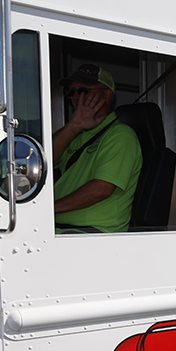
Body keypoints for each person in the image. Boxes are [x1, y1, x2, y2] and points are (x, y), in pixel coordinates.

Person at [53, 64, 142, 232]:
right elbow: (44, 162)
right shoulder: (75, 134)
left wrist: (49, 210)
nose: (77, 96)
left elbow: (101, 189)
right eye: (72, 91)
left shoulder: (120, 135)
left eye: (84, 90)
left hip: (95, 233)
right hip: (59, 230)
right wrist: (74, 126)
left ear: (107, 95)